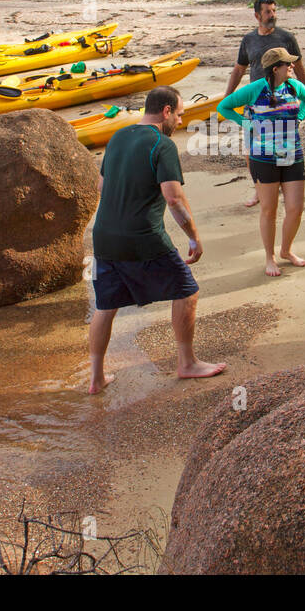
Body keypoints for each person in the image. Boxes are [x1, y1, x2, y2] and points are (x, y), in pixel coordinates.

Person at [87, 86, 227, 393]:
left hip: (104, 236)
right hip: (143, 237)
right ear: (165, 111)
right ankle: (187, 363)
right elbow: (173, 198)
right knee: (187, 291)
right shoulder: (162, 145)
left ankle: (96, 378)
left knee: (106, 305)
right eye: (178, 114)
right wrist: (194, 238)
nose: (179, 120)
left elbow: (101, 186)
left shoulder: (119, 137)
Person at [217, 47, 305, 277]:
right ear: (275, 68)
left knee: (295, 208)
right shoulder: (255, 89)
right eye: (288, 64)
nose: (292, 67)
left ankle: (286, 251)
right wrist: (246, 122)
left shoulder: (293, 87)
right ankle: (270, 257)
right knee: (269, 210)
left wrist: (300, 115)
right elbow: (223, 106)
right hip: (263, 157)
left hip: (292, 154)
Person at [225, 0, 305, 208]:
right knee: (250, 149)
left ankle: (283, 185)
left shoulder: (286, 38)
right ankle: (260, 189)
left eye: (274, 11)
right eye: (268, 12)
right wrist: (228, 96)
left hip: (281, 100)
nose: (272, 15)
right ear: (257, 15)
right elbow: (239, 69)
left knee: (281, 144)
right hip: (255, 101)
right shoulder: (249, 40)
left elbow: (298, 66)